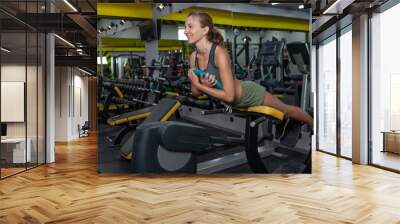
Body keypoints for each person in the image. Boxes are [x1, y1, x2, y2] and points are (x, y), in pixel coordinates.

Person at [184, 11, 313, 129]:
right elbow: (195, 92)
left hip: (248, 93)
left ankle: (313, 125)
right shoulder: (193, 57)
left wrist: (200, 85)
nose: (185, 31)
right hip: (234, 102)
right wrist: (203, 85)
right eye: (185, 27)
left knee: (285, 110)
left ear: (205, 30)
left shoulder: (219, 53)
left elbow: (229, 96)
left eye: (190, 26)